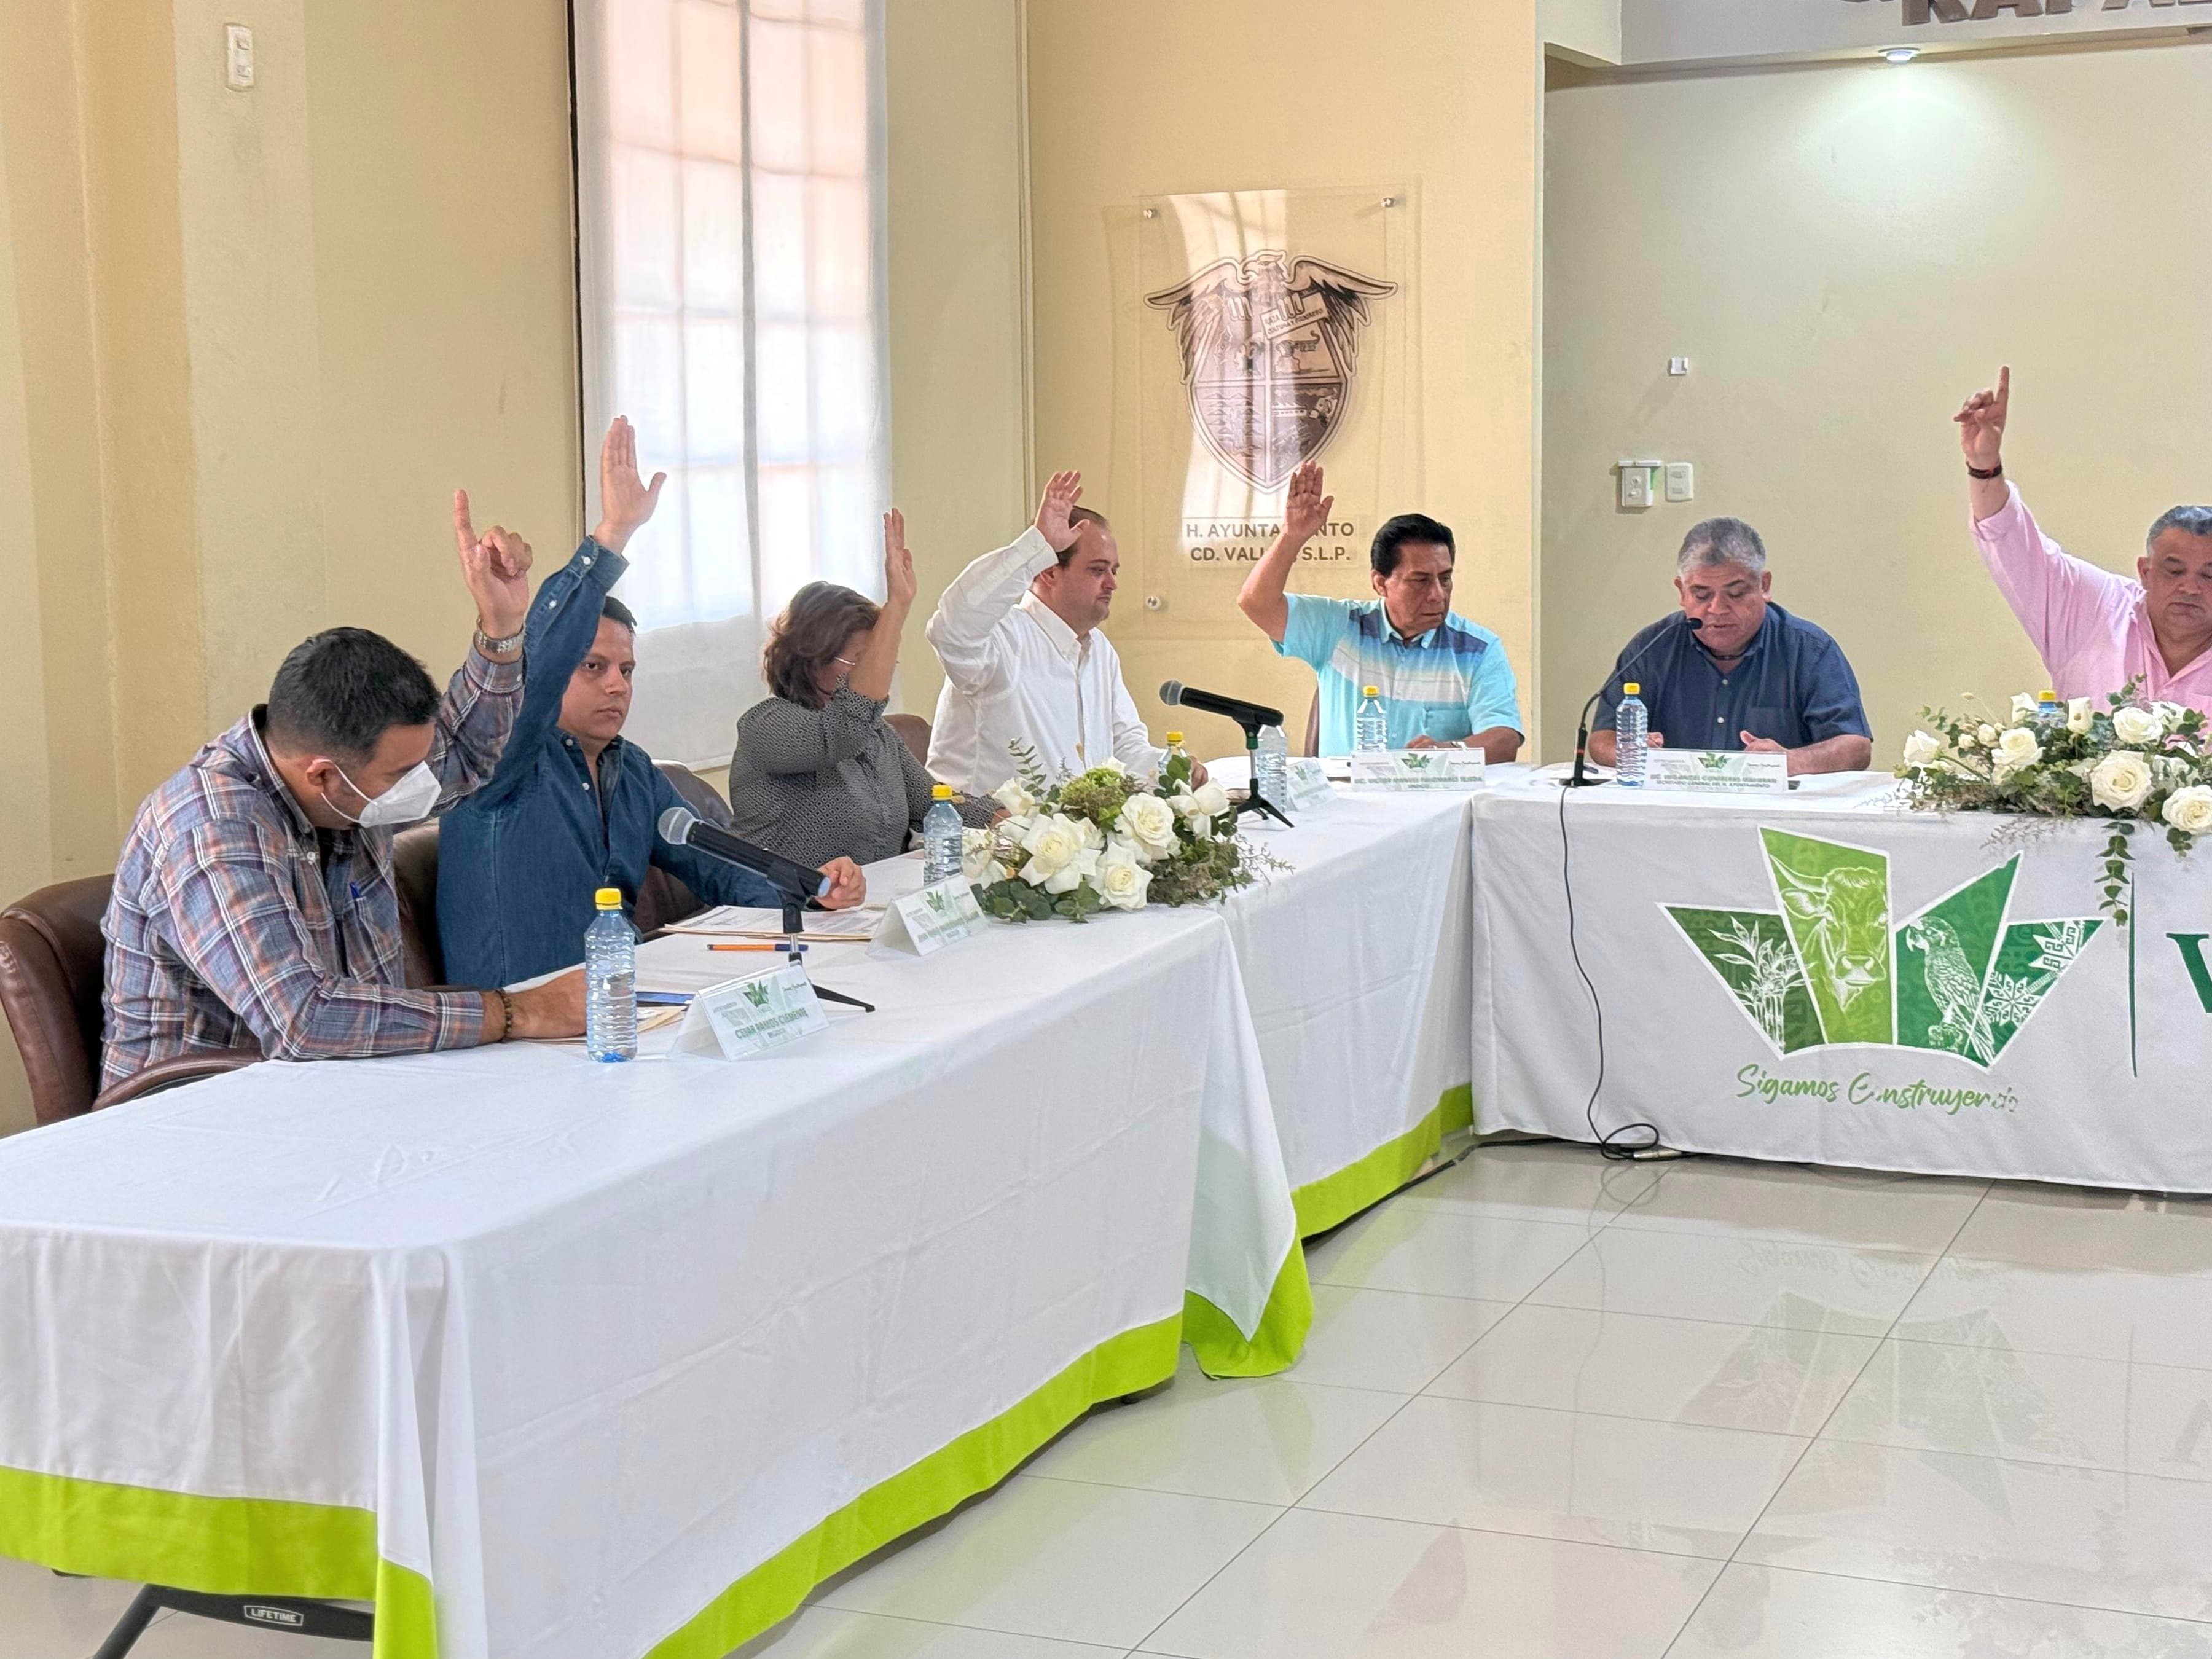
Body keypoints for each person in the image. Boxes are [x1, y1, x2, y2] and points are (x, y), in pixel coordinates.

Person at [102, 484, 584, 1091]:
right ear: (323, 774)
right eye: (399, 775)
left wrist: (502, 627)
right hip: (196, 1118)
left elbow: (464, 753)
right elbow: (305, 1020)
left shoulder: (349, 790)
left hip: (339, 1090)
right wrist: (518, 1013)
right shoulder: (209, 828)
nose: (419, 784)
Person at [437, 420, 866, 990]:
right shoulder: (501, 760)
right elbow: (535, 668)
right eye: (594, 667)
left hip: (627, 1008)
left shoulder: (633, 772)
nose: (617, 686)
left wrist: (812, 890)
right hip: (520, 1027)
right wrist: (611, 535)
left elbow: (721, 869)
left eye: (627, 671)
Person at [728, 509, 992, 866]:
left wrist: (1011, 818)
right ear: (813, 658)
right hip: (787, 901)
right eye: (861, 660)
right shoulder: (766, 726)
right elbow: (842, 732)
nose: (878, 673)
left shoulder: (878, 735)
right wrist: (897, 606)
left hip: (873, 898)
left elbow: (934, 804)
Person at [1957, 364, 2212, 713]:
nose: (2191, 588)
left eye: (2209, 575)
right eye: (2175, 570)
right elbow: (2012, 543)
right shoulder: (2093, 610)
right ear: (2146, 572)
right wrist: (1984, 465)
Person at [1236, 461, 1524, 760]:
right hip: (1345, 791)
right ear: (1380, 583)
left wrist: (1449, 751)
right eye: (1420, 581)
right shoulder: (1339, 628)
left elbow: (1505, 739)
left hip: (1432, 791)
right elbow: (1255, 603)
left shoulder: (1478, 650)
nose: (1438, 594)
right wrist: (1292, 536)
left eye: (1445, 578)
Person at [926, 470, 1185, 794]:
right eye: (1098, 570)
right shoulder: (1004, 638)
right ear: (1048, 571)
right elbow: (950, 630)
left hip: (1080, 825)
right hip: (985, 825)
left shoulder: (1100, 650)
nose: (1112, 584)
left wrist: (1172, 770)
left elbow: (1124, 746)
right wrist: (1035, 547)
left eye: (1114, 571)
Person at [1587, 516, 1873, 777]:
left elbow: (1855, 747)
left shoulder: (1809, 649)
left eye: (1735, 594)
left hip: (1775, 808)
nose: (1717, 609)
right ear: (1682, 592)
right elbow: (1603, 739)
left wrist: (1790, 761)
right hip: (1675, 806)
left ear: (1764, 586)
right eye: (1701, 595)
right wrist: (1633, 753)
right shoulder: (1653, 648)